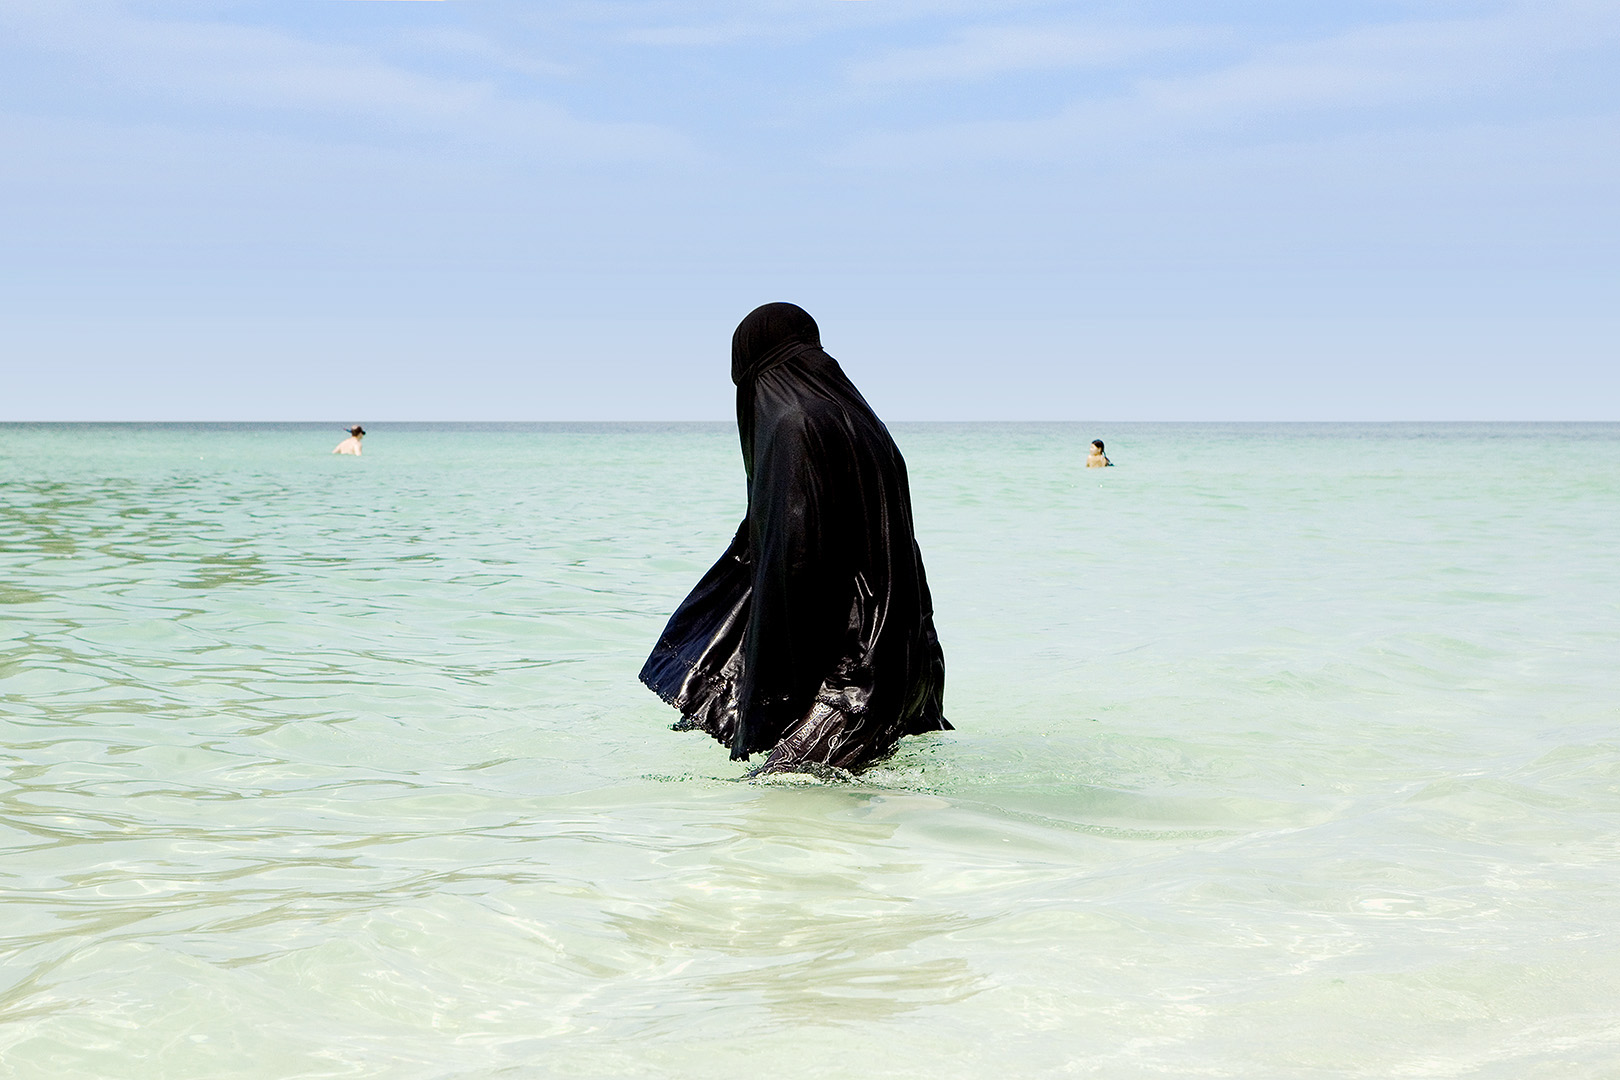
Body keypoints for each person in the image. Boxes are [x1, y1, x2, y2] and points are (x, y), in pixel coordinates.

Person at [640, 302, 950, 775]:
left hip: (847, 681)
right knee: (859, 806)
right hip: (902, 663)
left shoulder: (794, 423)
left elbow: (796, 563)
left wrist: (772, 701)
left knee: (781, 806)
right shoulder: (865, 423)